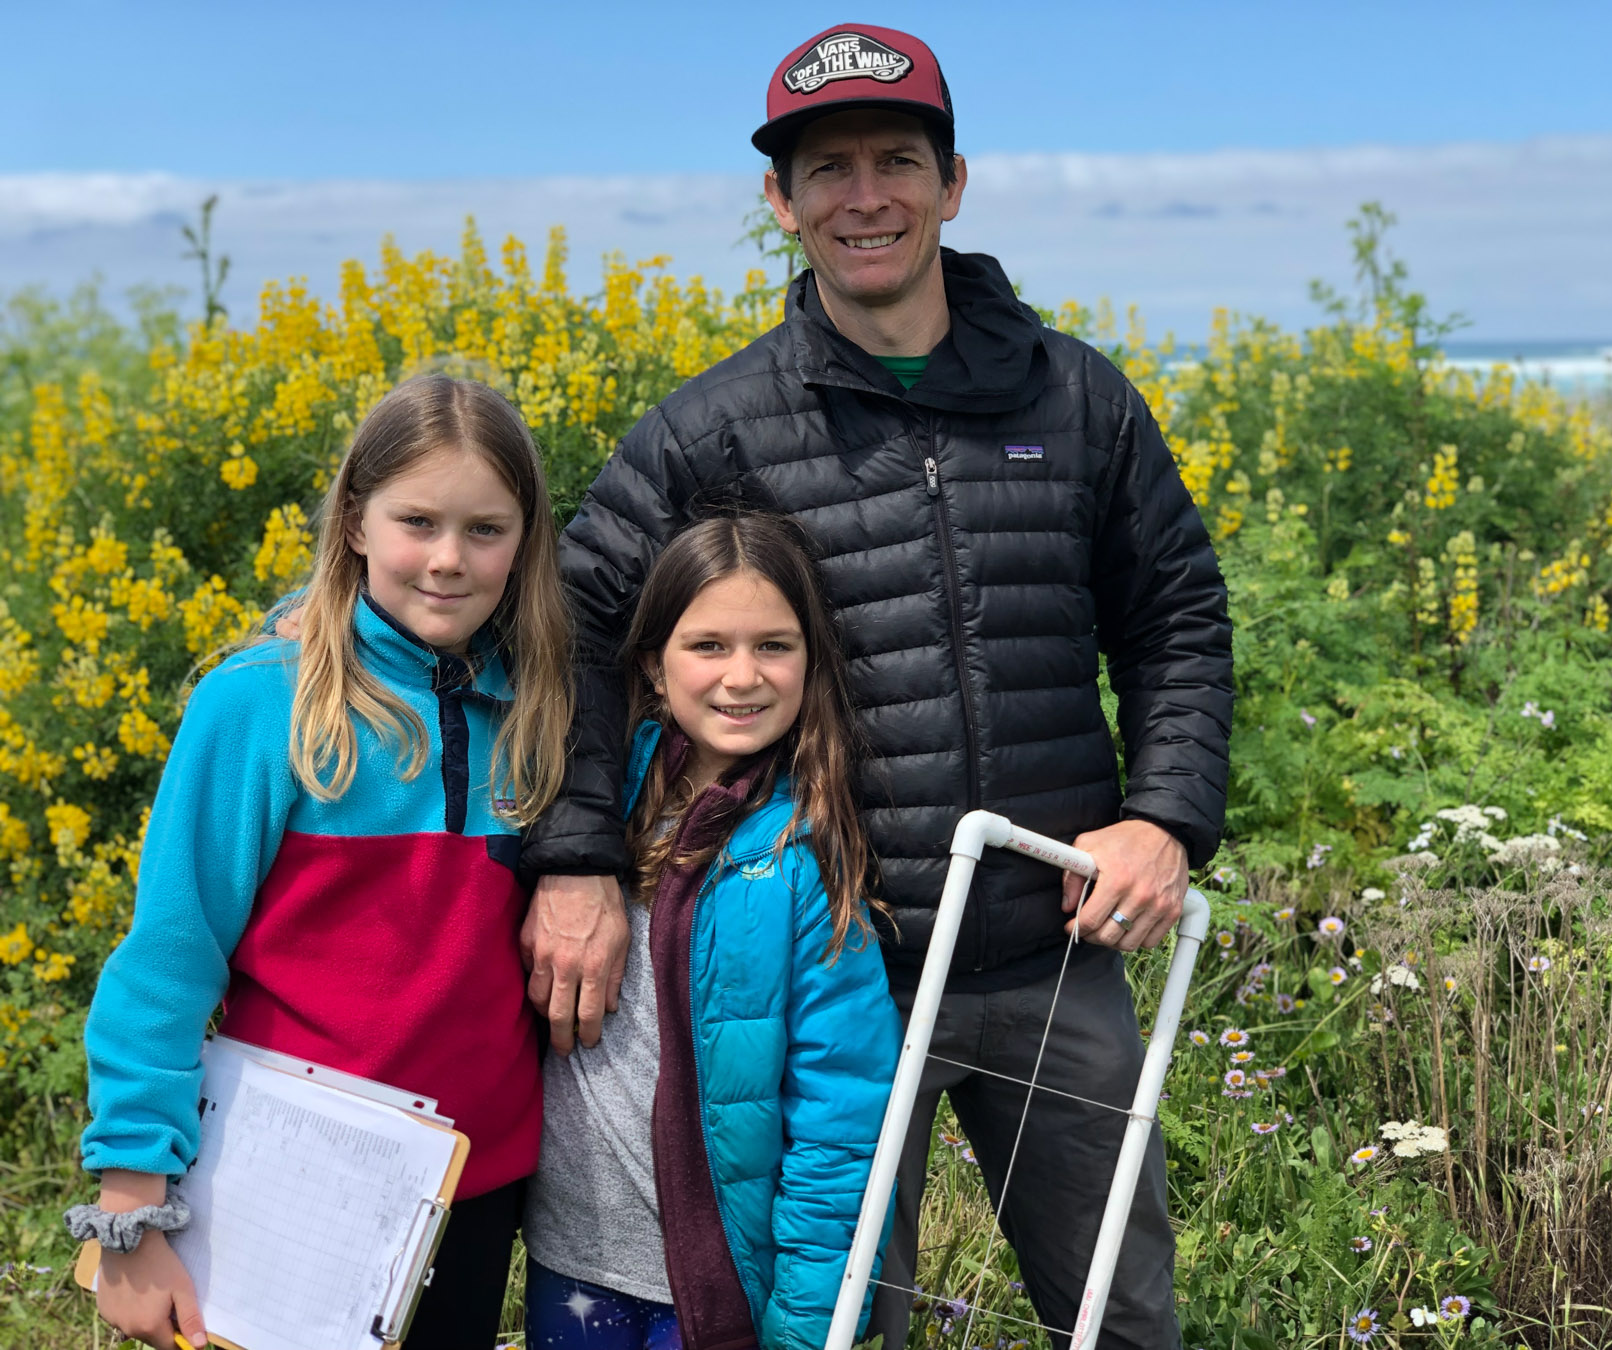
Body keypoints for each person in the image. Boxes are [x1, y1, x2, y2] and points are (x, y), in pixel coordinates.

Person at [520, 24, 1233, 1349]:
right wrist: (571, 857)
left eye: (897, 160)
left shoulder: (1078, 399)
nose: (866, 198)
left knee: (1124, 1316)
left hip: (1049, 952)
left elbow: (1177, 612)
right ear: (779, 201)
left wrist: (1166, 815)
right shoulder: (709, 430)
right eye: (827, 169)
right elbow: (568, 628)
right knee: (835, 1321)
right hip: (833, 960)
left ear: (953, 182)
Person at [66, 375, 571, 1350]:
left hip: (475, 1177)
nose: (447, 559)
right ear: (352, 521)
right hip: (286, 1177)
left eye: (486, 529)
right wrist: (131, 1194)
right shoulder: (261, 701)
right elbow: (171, 959)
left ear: (527, 538)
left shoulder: (543, 703)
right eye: (416, 521)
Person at [521, 511, 901, 1350]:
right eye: (708, 646)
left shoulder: (806, 857)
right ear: (654, 667)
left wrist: (806, 1329)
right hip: (568, 1261)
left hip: (714, 1285)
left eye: (773, 645)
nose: (742, 676)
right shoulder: (585, 800)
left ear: (811, 664)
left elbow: (840, 1120)